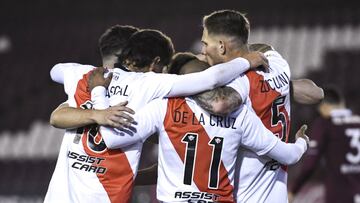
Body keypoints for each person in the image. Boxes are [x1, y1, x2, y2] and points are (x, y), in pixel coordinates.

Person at [45, 28, 269, 203]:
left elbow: (55, 71)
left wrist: (96, 88)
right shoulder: (152, 84)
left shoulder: (83, 75)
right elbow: (211, 79)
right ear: (156, 64)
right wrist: (247, 61)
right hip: (106, 196)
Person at [90, 53, 310, 202]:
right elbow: (288, 156)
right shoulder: (240, 113)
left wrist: (99, 92)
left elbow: (111, 138)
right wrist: (302, 142)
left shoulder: (163, 107)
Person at [199, 10, 323, 202]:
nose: (202, 51)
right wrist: (245, 56)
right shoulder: (276, 63)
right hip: (276, 189)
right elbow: (316, 93)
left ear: (222, 46)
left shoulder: (241, 83)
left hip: (245, 193)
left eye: (206, 44)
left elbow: (219, 103)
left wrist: (192, 78)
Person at [289, 87, 360, 203]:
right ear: (341, 103)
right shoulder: (358, 121)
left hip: (339, 196)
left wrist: (293, 190)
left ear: (324, 106)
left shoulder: (325, 123)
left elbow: (310, 164)